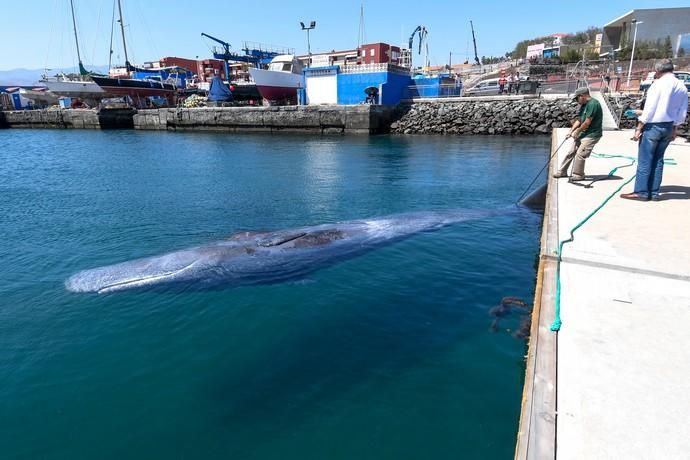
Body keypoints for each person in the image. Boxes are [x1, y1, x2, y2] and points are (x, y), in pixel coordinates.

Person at [620, 59, 689, 201]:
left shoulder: (658, 85)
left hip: (654, 126)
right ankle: (654, 192)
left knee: (645, 159)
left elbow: (650, 109)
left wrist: (639, 127)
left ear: (658, 70)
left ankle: (642, 192)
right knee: (658, 160)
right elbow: (682, 111)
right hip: (669, 126)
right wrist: (675, 128)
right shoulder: (681, 86)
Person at [553, 87, 603, 180]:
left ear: (583, 96)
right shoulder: (584, 105)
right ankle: (562, 172)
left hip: (592, 134)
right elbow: (579, 120)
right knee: (571, 152)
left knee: (580, 154)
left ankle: (578, 175)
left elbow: (587, 122)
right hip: (583, 133)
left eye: (577, 98)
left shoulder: (593, 104)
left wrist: (577, 131)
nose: (577, 101)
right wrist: (571, 131)